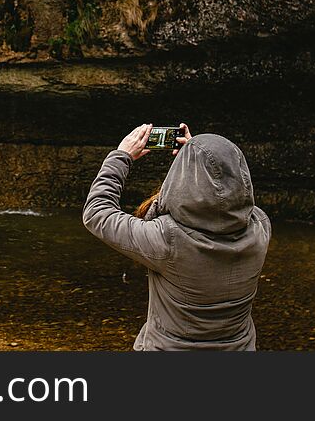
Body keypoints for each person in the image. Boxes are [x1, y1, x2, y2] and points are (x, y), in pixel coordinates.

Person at [82, 123, 271, 350]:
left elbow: (97, 212)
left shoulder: (166, 239)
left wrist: (121, 156)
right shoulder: (261, 227)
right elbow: (232, 199)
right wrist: (197, 164)